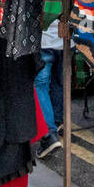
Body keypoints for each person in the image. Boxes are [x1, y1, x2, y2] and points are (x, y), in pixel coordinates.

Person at [35, 21, 65, 158]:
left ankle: (49, 134)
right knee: (59, 81)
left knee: (41, 86)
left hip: (45, 39)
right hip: (66, 37)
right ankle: (57, 121)